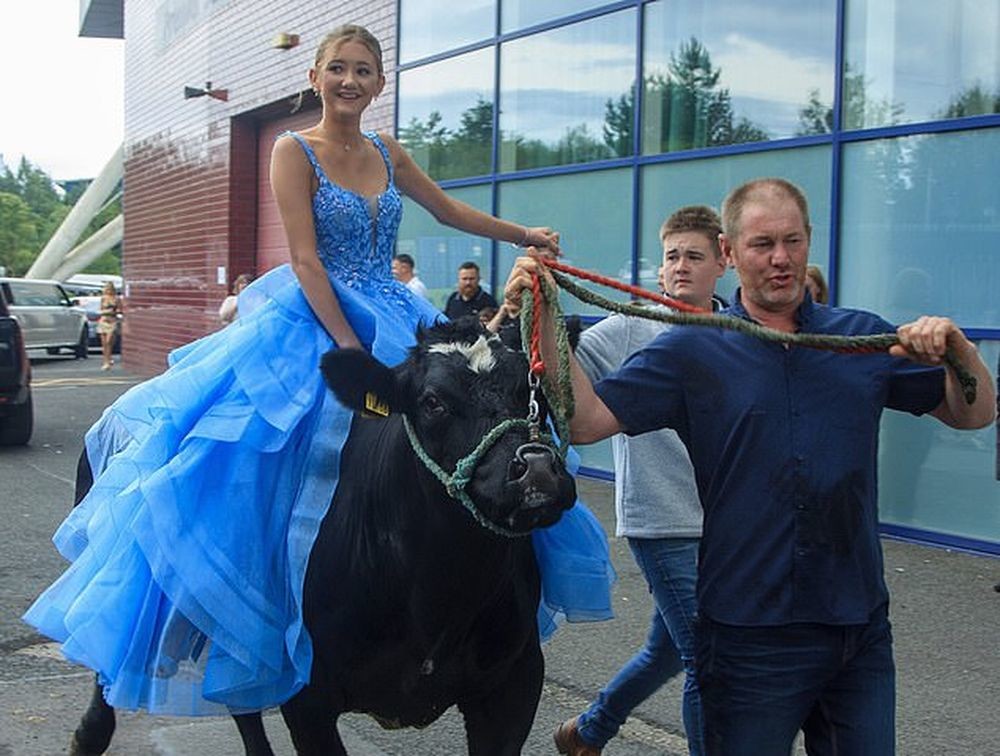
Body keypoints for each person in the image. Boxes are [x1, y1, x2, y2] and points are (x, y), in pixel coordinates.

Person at [23, 24, 613, 718]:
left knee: (468, 424)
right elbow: (304, 260)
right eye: (337, 68)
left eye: (363, 70)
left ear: (379, 83)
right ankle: (278, 607)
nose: (349, 81)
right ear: (315, 76)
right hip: (316, 319)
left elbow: (447, 208)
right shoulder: (291, 149)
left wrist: (522, 236)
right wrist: (351, 348)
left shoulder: (388, 150)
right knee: (273, 460)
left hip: (398, 312)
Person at [504, 178, 995, 755]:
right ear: (732, 253)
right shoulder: (690, 349)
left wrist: (960, 352)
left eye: (792, 241)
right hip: (747, 638)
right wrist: (542, 315)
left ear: (809, 240)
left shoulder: (859, 339)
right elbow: (586, 421)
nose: (780, 258)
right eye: (763, 244)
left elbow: (974, 414)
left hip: (857, 628)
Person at [555, 206, 726, 756]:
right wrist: (545, 314)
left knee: (667, 651)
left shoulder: (738, 328)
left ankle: (588, 731)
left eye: (694, 256)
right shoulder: (632, 326)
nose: (680, 267)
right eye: (672, 257)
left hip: (725, 522)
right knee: (708, 661)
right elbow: (565, 370)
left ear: (722, 260)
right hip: (662, 520)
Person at [97, 281, 122, 371]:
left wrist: (115, 311)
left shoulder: (117, 298)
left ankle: (109, 359)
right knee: (104, 343)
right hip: (103, 320)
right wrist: (104, 311)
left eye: (110, 289)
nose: (108, 290)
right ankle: (106, 361)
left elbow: (120, 309)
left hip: (112, 320)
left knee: (109, 341)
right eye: (107, 289)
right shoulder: (103, 298)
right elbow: (100, 309)